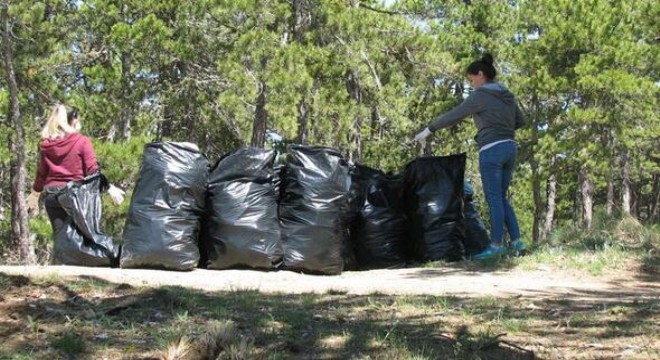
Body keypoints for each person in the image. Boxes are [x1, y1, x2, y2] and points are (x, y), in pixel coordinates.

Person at [413, 53, 526, 260]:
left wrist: (430, 129)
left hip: (491, 149)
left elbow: (455, 114)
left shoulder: (480, 95)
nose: (471, 83)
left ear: (480, 74)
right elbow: (520, 121)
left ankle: (496, 245)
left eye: (471, 79)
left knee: (494, 198)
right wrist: (501, 125)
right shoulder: (507, 94)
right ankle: (517, 242)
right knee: (501, 197)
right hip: (510, 147)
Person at [26, 104, 125, 242]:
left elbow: (42, 173)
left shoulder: (46, 145)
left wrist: (34, 194)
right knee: (88, 240)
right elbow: (93, 171)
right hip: (74, 196)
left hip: (52, 197)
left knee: (63, 243)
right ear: (73, 120)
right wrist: (109, 188)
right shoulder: (82, 141)